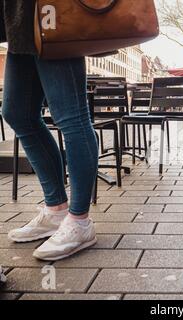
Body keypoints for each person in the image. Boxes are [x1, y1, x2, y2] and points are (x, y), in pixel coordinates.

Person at [0, 1, 99, 261]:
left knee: (71, 116)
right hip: (20, 24)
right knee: (17, 114)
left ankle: (79, 221)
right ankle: (56, 209)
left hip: (55, 14)